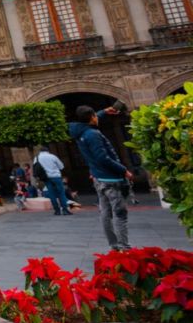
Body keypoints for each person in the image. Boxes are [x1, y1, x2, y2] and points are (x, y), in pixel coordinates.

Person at [69, 104, 132, 251]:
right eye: (95, 116)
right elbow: (102, 158)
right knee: (119, 213)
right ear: (92, 117)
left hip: (98, 178)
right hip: (110, 179)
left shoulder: (80, 132)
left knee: (105, 212)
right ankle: (124, 247)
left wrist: (103, 112)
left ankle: (114, 245)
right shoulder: (93, 134)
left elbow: (88, 122)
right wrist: (123, 170)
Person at [33, 146, 70, 215]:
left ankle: (57, 210)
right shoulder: (52, 156)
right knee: (61, 193)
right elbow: (61, 166)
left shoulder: (36, 158)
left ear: (40, 151)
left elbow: (35, 168)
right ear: (48, 151)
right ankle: (65, 210)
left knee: (51, 193)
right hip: (56, 177)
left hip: (46, 178)